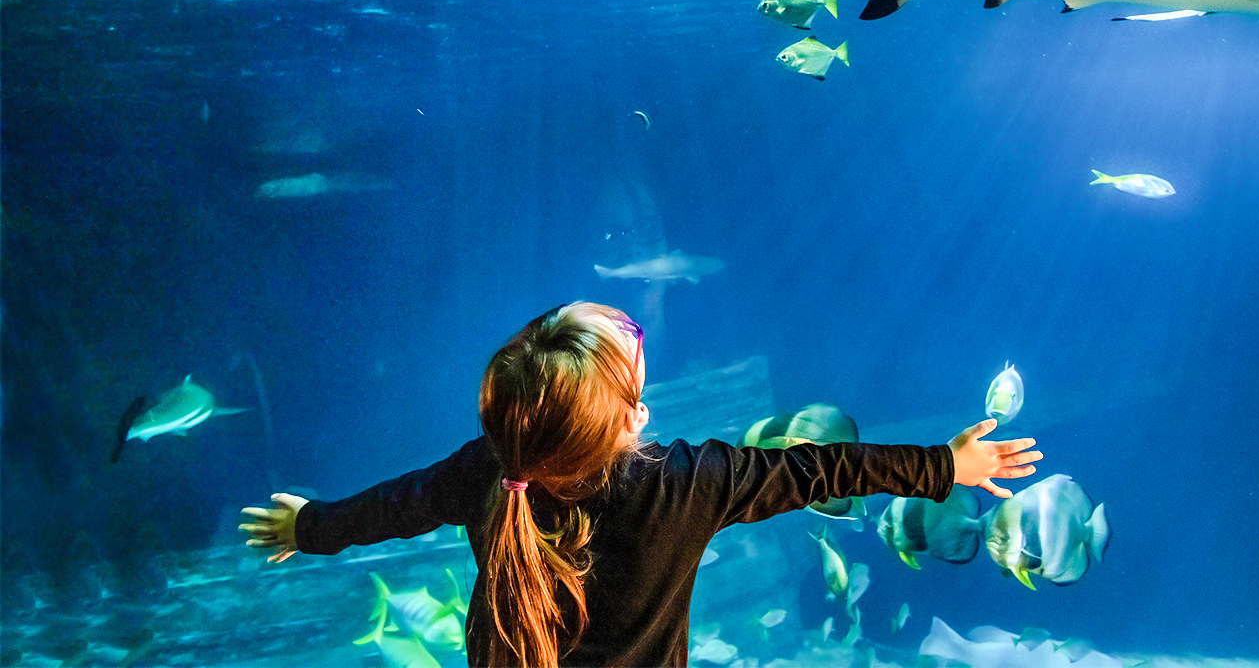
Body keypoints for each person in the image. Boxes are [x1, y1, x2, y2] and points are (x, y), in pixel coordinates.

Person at [240, 301, 1040, 667]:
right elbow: (819, 468)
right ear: (633, 415)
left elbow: (396, 505)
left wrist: (309, 527)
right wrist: (944, 466)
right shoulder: (687, 484)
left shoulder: (492, 468)